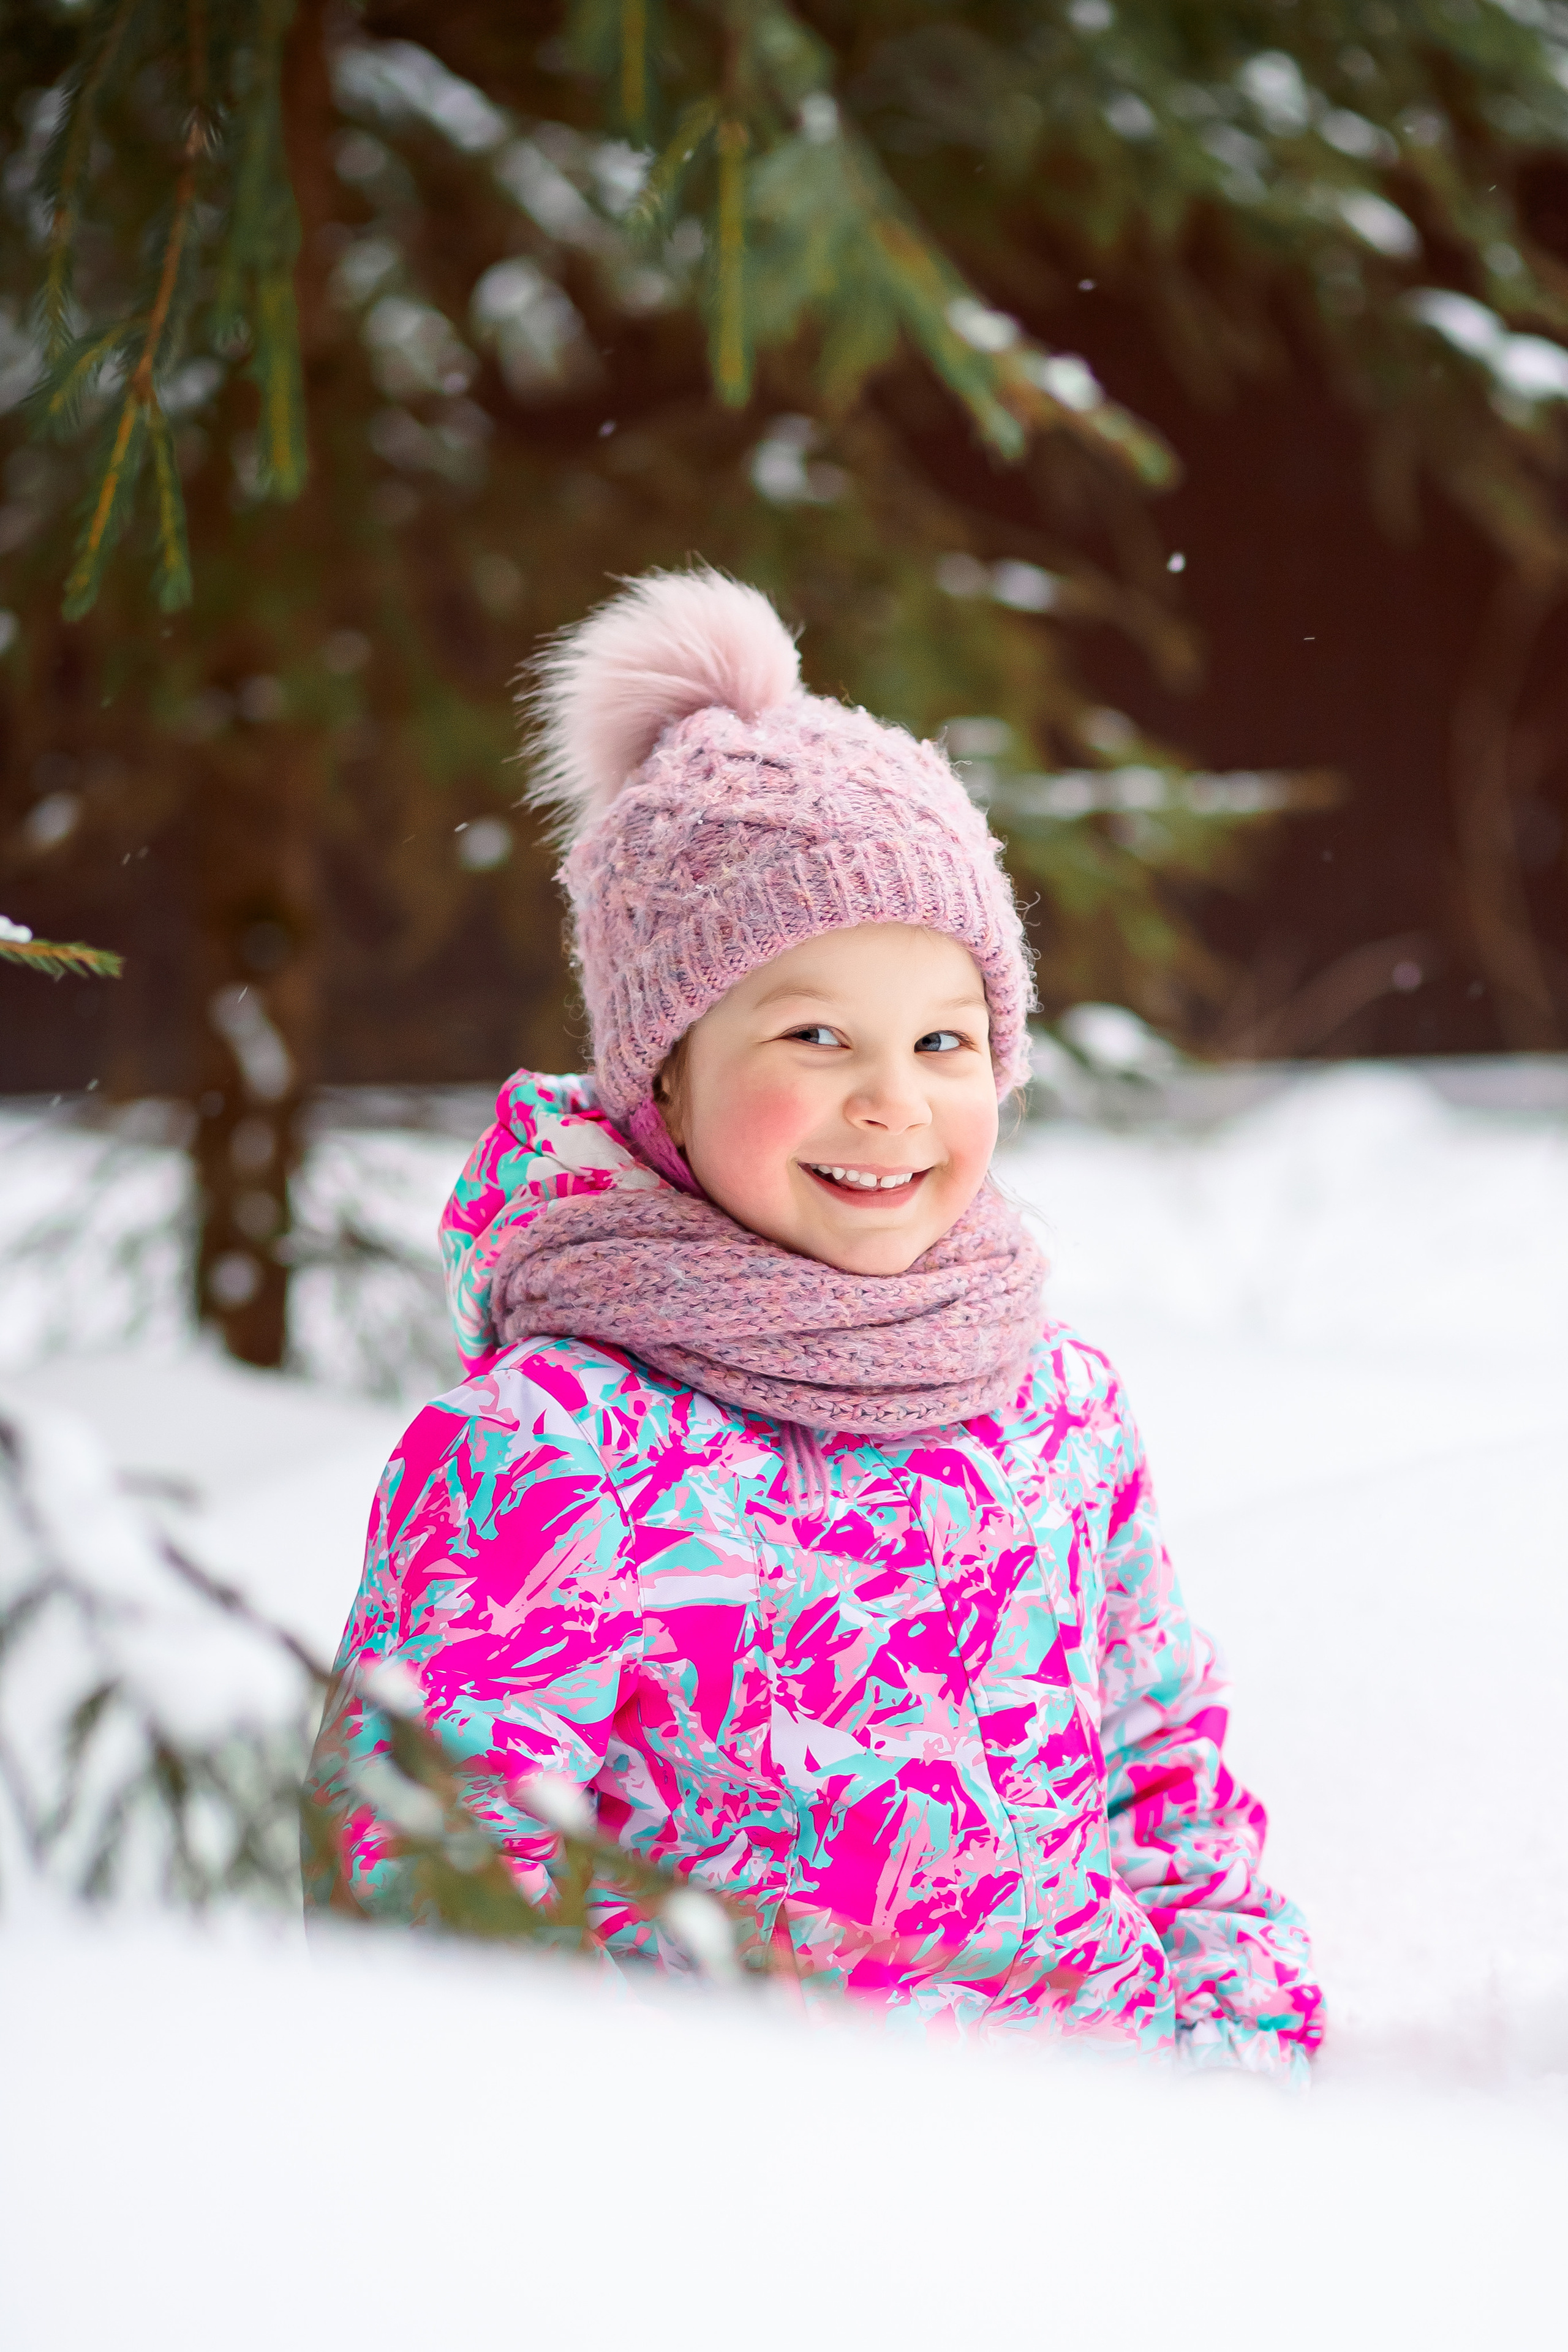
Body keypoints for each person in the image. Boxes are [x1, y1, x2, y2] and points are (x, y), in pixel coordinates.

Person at [306, 567, 1322, 2075]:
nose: (890, 1100)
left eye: (942, 1041)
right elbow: (428, 1870)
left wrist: (1239, 2049)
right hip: (767, 2199)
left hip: (1118, 2155)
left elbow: (1162, 1770)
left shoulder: (1054, 1402)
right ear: (658, 1076)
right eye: (813, 1036)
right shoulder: (556, 1447)